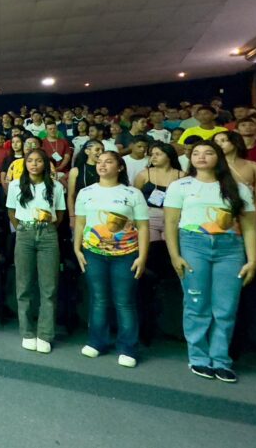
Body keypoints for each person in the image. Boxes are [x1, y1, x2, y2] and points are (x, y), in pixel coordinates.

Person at [164, 140, 256, 383]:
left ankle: (221, 359)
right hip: (193, 244)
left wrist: (253, 259)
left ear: (219, 157)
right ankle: (198, 357)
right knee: (197, 304)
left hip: (230, 248)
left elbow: (249, 227)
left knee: (225, 307)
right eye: (195, 153)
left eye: (208, 152)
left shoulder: (238, 188)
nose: (201, 157)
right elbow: (171, 224)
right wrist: (175, 255)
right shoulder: (180, 186)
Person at [73, 151, 150, 367]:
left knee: (124, 301)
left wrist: (142, 256)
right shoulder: (86, 192)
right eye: (99, 162)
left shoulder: (132, 193)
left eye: (108, 162)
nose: (102, 165)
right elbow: (80, 223)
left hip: (126, 254)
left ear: (120, 167)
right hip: (93, 253)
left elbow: (143, 227)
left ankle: (128, 348)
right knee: (98, 299)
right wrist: (77, 248)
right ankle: (97, 342)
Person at [7, 150, 66, 353]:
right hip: (24, 232)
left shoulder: (56, 186)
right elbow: (11, 212)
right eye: (30, 161)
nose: (34, 164)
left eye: (39, 161)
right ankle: (27, 332)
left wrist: (46, 229)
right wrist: (24, 228)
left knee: (48, 287)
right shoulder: (15, 185)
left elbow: (59, 213)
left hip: (48, 234)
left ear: (46, 164)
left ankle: (45, 334)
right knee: (23, 286)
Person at [134, 143, 184, 241]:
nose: (153, 157)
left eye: (158, 154)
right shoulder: (143, 174)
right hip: (149, 216)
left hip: (173, 217)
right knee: (153, 249)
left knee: (170, 250)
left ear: (169, 156)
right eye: (152, 154)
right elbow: (135, 198)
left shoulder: (182, 176)